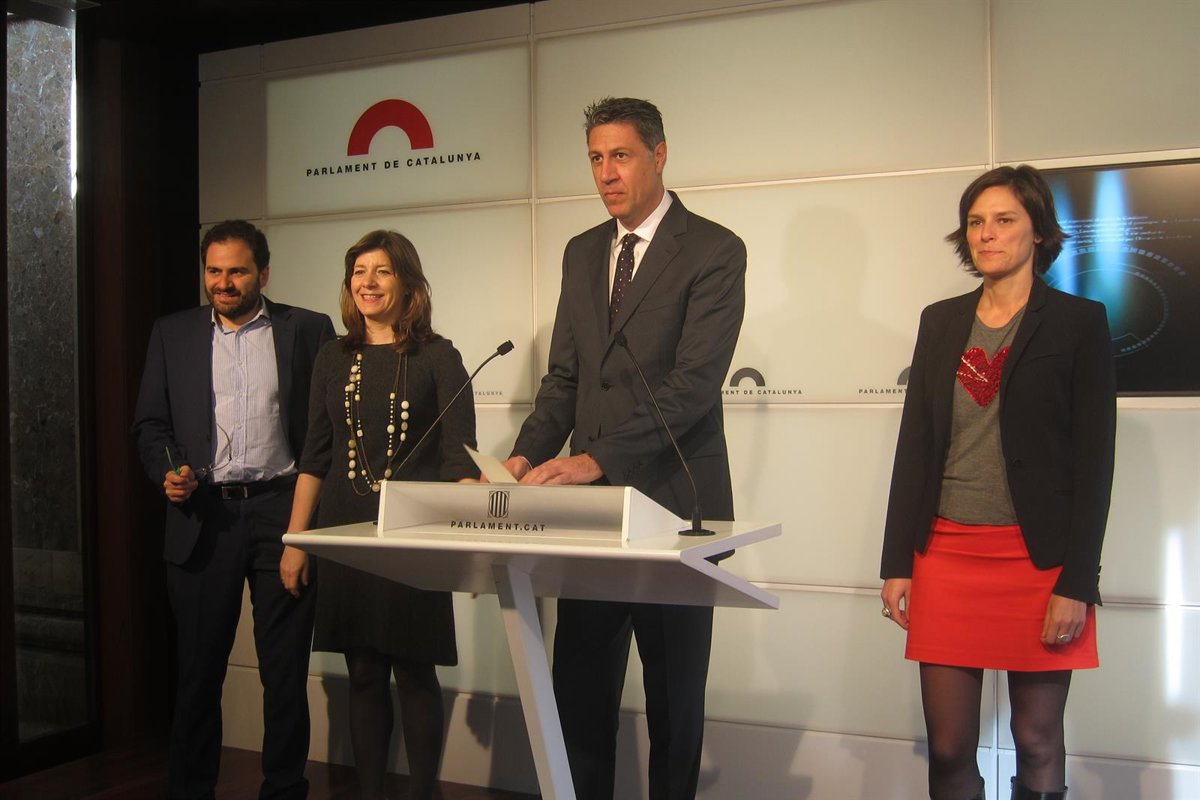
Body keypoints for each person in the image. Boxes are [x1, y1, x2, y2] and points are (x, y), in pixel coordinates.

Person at [500, 97, 746, 800]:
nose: (606, 174)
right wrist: (522, 459)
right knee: (579, 701)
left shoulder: (714, 250)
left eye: (621, 156)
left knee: (674, 710)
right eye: (595, 159)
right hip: (589, 521)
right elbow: (565, 378)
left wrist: (595, 458)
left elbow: (691, 387)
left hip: (673, 510)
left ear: (659, 156)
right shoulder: (582, 252)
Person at [879, 165, 1116, 800]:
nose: (986, 233)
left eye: (1004, 220)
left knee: (1036, 739)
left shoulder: (1079, 322)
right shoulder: (940, 321)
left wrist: (1077, 582)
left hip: (1039, 563)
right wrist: (897, 562)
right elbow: (915, 447)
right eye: (976, 222)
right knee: (949, 746)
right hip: (946, 553)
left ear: (1037, 230)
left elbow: (1096, 463)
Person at [133, 220, 336, 800]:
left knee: (284, 672)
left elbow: (324, 431)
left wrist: (305, 529)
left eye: (237, 271)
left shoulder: (308, 329)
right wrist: (169, 470)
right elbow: (151, 424)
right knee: (198, 675)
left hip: (283, 516)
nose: (223, 283)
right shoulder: (172, 333)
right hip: (203, 517)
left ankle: (285, 790)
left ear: (263, 274)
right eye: (214, 271)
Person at [282, 229, 478, 800]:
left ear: (408, 283)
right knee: (363, 672)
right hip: (344, 531)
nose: (367, 283)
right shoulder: (332, 356)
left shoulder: (439, 357)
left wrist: (471, 544)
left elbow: (459, 459)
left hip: (414, 535)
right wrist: (296, 540)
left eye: (382, 271)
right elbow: (315, 456)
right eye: (359, 272)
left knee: (415, 671)